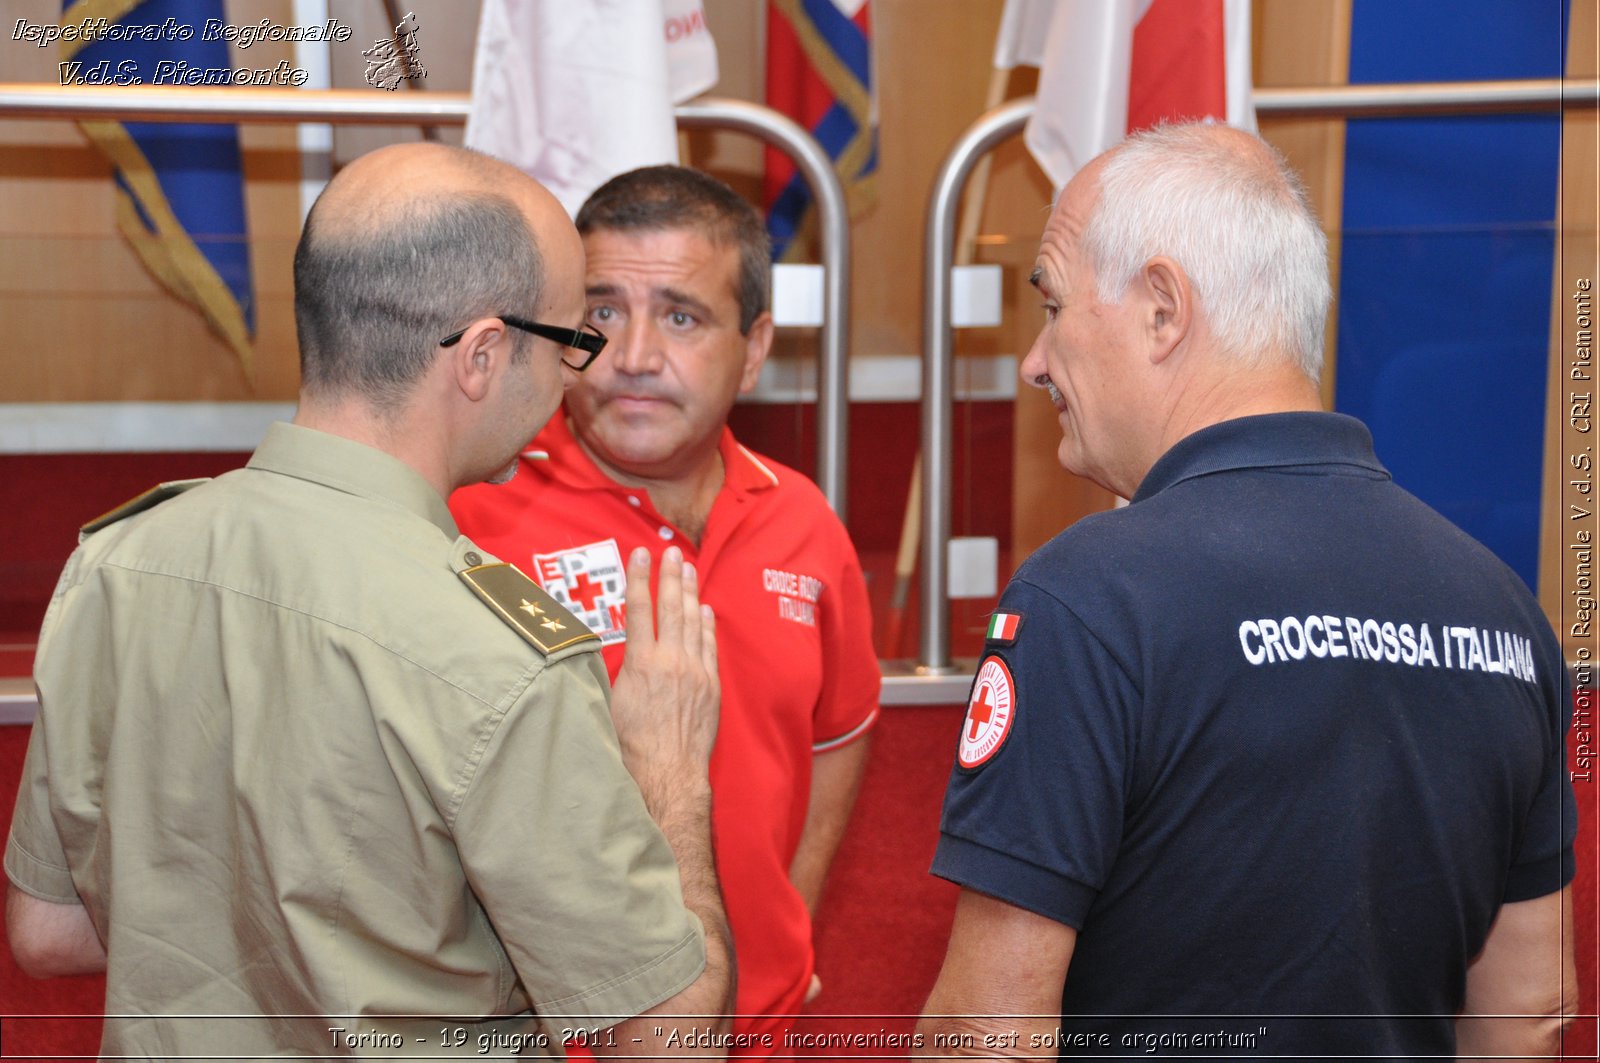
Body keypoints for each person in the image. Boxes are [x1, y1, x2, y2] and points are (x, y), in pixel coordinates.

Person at [4, 143, 735, 1059]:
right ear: (482, 356)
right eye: (571, 341)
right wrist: (669, 777)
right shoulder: (500, 656)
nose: (573, 377)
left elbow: (47, 930)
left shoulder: (115, 562)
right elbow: (667, 1038)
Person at [916, 123, 1577, 1058]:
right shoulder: (1506, 608)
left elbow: (986, 1033)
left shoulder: (1087, 596)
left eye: (1054, 306)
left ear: (1161, 308)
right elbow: (1529, 1013)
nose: (1036, 358)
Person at [451, 165, 880, 1051]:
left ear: (754, 346)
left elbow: (839, 734)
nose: (634, 355)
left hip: (758, 1023)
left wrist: (786, 923)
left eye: (680, 316)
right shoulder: (472, 516)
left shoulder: (804, 521)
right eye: (602, 312)